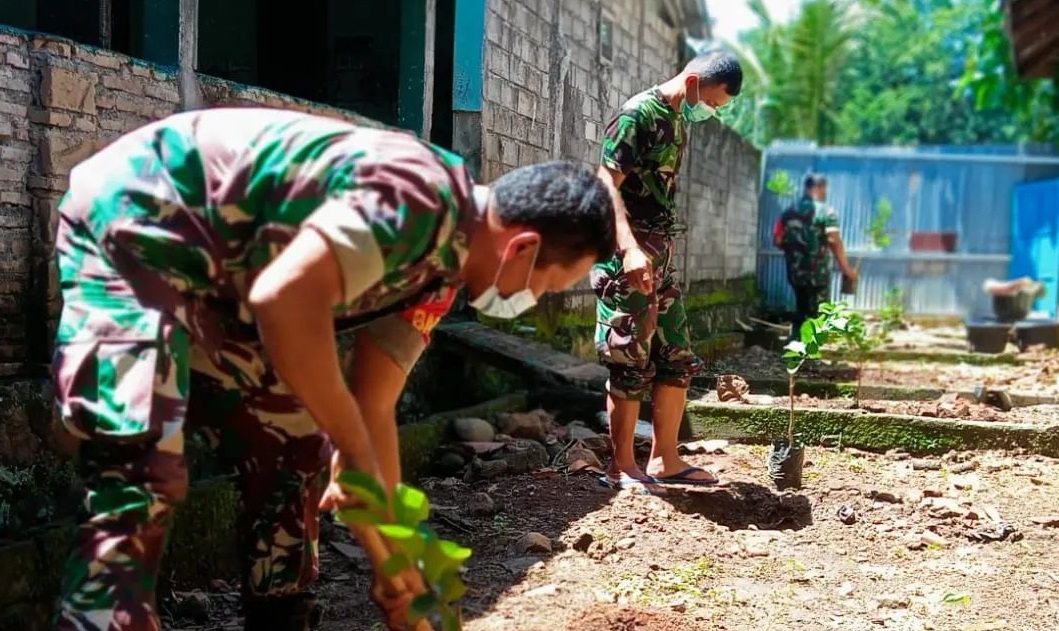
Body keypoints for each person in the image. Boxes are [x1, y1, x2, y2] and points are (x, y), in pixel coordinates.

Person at [50, 107, 616, 631]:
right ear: (523, 247)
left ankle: (279, 616)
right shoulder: (415, 198)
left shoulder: (440, 278)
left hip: (223, 287)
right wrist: (351, 442)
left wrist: (395, 567)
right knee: (141, 472)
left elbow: (372, 410)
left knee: (295, 449)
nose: (537, 297)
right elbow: (283, 299)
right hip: (137, 228)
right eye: (550, 284)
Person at [592, 51, 742, 491]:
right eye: (713, 101)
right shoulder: (638, 113)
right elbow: (604, 183)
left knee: (677, 356)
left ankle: (666, 459)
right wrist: (630, 250)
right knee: (629, 361)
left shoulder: (677, 120)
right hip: (627, 257)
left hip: (660, 258)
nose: (711, 111)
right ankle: (621, 466)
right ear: (694, 82)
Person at [773, 173, 857, 340]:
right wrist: (846, 269)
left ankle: (794, 347)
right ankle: (810, 353)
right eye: (825, 189)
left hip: (795, 273)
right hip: (817, 274)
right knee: (817, 314)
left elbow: (778, 240)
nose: (826, 193)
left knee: (800, 309)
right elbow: (833, 239)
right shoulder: (826, 212)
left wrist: (795, 254)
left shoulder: (788, 212)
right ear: (819, 187)